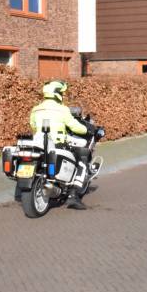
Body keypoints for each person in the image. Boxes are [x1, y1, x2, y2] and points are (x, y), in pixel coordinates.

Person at [29, 80, 91, 210]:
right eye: (62, 93)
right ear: (57, 94)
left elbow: (33, 126)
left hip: (39, 143)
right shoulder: (62, 109)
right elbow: (74, 126)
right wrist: (87, 130)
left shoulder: (35, 109)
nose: (63, 96)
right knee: (83, 157)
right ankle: (73, 195)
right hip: (58, 144)